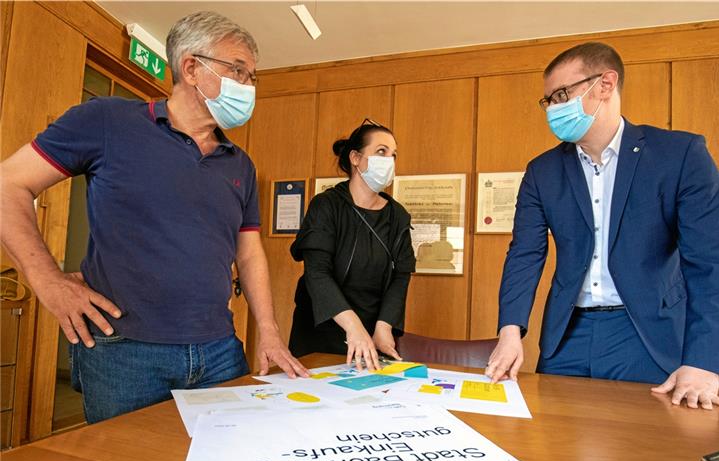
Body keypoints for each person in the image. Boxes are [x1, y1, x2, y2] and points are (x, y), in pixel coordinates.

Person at [0, 11, 308, 423]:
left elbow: (249, 254)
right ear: (192, 68)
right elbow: (9, 185)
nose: (248, 86)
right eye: (238, 70)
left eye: (252, 76)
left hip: (219, 349)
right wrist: (47, 281)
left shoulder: (240, 164)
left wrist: (268, 329)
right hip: (123, 351)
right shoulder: (107, 120)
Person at [488, 42, 719, 410]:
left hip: (647, 334)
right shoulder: (542, 171)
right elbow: (525, 253)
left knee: (648, 448)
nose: (554, 109)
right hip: (567, 336)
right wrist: (510, 330)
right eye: (548, 101)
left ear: (606, 84)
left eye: (562, 94)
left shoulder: (680, 155)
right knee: (560, 444)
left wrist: (704, 359)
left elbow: (714, 262)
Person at [288, 119, 416, 371]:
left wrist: (384, 325)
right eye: (381, 151)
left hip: (372, 333)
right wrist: (353, 327)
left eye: (394, 154)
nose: (389, 160)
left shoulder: (398, 215)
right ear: (356, 158)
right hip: (322, 330)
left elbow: (401, 276)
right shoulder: (326, 206)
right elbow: (317, 273)